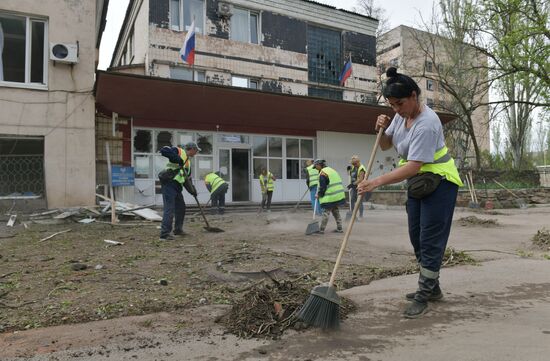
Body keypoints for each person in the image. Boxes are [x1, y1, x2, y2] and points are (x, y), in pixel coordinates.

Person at [357, 67, 463, 318]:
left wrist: (375, 182)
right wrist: (380, 128)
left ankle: (424, 294)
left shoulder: (427, 123)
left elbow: (414, 165)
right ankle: (433, 287)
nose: (396, 109)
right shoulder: (400, 116)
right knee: (416, 236)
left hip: (440, 182)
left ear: (414, 96)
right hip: (418, 182)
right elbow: (385, 146)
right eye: (392, 105)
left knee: (430, 239)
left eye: (400, 103)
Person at [158, 142, 200, 240]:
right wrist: (177, 159)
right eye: (196, 151)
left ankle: (178, 229)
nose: (196, 153)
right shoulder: (179, 151)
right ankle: (164, 234)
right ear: (192, 149)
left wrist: (192, 191)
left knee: (181, 207)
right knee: (170, 208)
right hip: (169, 183)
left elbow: (186, 180)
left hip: (177, 186)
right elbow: (164, 150)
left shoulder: (188, 163)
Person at [314, 159, 346, 234]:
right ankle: (339, 228)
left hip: (330, 196)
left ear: (319, 165)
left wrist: (319, 195)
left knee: (326, 212)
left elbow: (323, 187)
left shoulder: (323, 173)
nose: (316, 169)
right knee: (335, 211)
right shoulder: (331, 170)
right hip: (338, 195)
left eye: (316, 167)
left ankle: (321, 230)